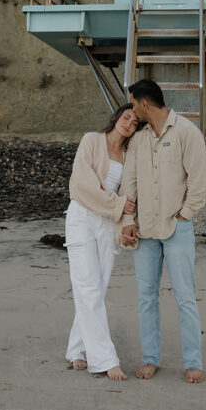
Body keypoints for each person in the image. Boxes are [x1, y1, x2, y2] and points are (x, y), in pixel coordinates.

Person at [120, 79, 206, 384]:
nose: (131, 110)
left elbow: (199, 181)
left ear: (145, 104)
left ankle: (193, 362)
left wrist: (185, 216)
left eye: (133, 104)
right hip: (144, 231)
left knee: (185, 296)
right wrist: (127, 222)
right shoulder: (138, 139)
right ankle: (150, 358)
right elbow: (129, 182)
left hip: (177, 228)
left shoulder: (187, 132)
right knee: (146, 297)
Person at [65, 102, 139, 380]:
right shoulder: (91, 141)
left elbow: (129, 196)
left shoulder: (128, 155)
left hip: (108, 222)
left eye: (134, 123)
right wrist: (118, 205)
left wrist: (125, 223)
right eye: (126, 117)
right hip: (83, 215)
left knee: (97, 287)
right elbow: (82, 186)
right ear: (117, 116)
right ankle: (105, 359)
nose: (128, 123)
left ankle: (76, 349)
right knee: (87, 287)